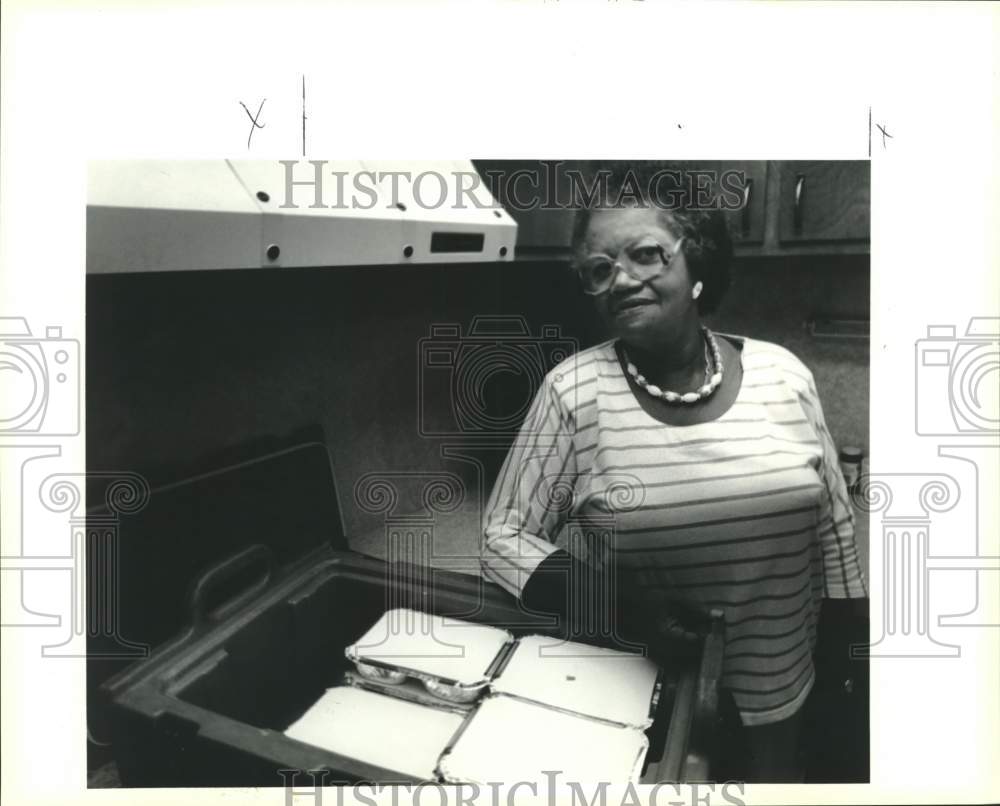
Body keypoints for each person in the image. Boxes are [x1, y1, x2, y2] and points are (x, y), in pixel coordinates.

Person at [480, 163, 868, 782]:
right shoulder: (573, 392)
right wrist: (618, 603)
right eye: (599, 269)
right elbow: (502, 538)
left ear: (698, 265)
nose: (620, 280)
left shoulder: (784, 373)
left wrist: (853, 660)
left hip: (784, 693)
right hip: (645, 695)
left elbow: (835, 525)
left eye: (644, 254)